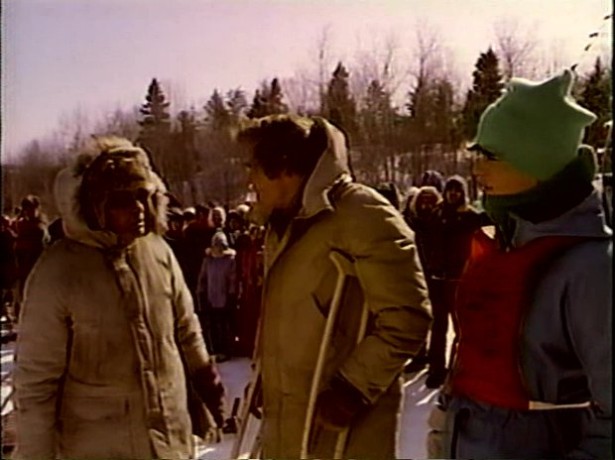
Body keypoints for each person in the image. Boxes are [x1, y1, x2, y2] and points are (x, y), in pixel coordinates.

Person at [429, 70, 612, 459]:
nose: (477, 170)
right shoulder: (502, 244)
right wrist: (445, 427)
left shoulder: (593, 268)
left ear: (538, 160)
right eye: (476, 155)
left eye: (491, 156)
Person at [13, 136, 227, 460]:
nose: (139, 208)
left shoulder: (158, 251)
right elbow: (36, 383)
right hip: (98, 446)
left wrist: (207, 384)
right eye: (122, 200)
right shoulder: (58, 271)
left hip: (169, 442)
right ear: (95, 205)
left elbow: (185, 328)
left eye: (144, 196)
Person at [236, 114, 432, 458]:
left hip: (342, 435)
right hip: (289, 429)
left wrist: (352, 388)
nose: (249, 178)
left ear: (283, 167)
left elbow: (407, 316)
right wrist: (271, 379)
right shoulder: (282, 226)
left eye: (252, 166)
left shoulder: (362, 213)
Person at [423, 175, 489, 388]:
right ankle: (436, 369)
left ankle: (462, 368)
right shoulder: (437, 215)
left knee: (462, 327)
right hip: (437, 278)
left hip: (460, 278)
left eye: (457, 191)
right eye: (450, 190)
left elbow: (487, 228)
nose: (453, 194)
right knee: (438, 326)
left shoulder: (470, 217)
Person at [196, 231, 237, 361]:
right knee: (213, 326)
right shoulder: (208, 261)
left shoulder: (230, 260)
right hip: (210, 297)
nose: (218, 247)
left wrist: (231, 294)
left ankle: (226, 351)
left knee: (224, 326)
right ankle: (216, 350)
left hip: (225, 297)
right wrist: (200, 293)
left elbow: (233, 279)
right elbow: (202, 278)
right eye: (216, 244)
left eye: (220, 245)